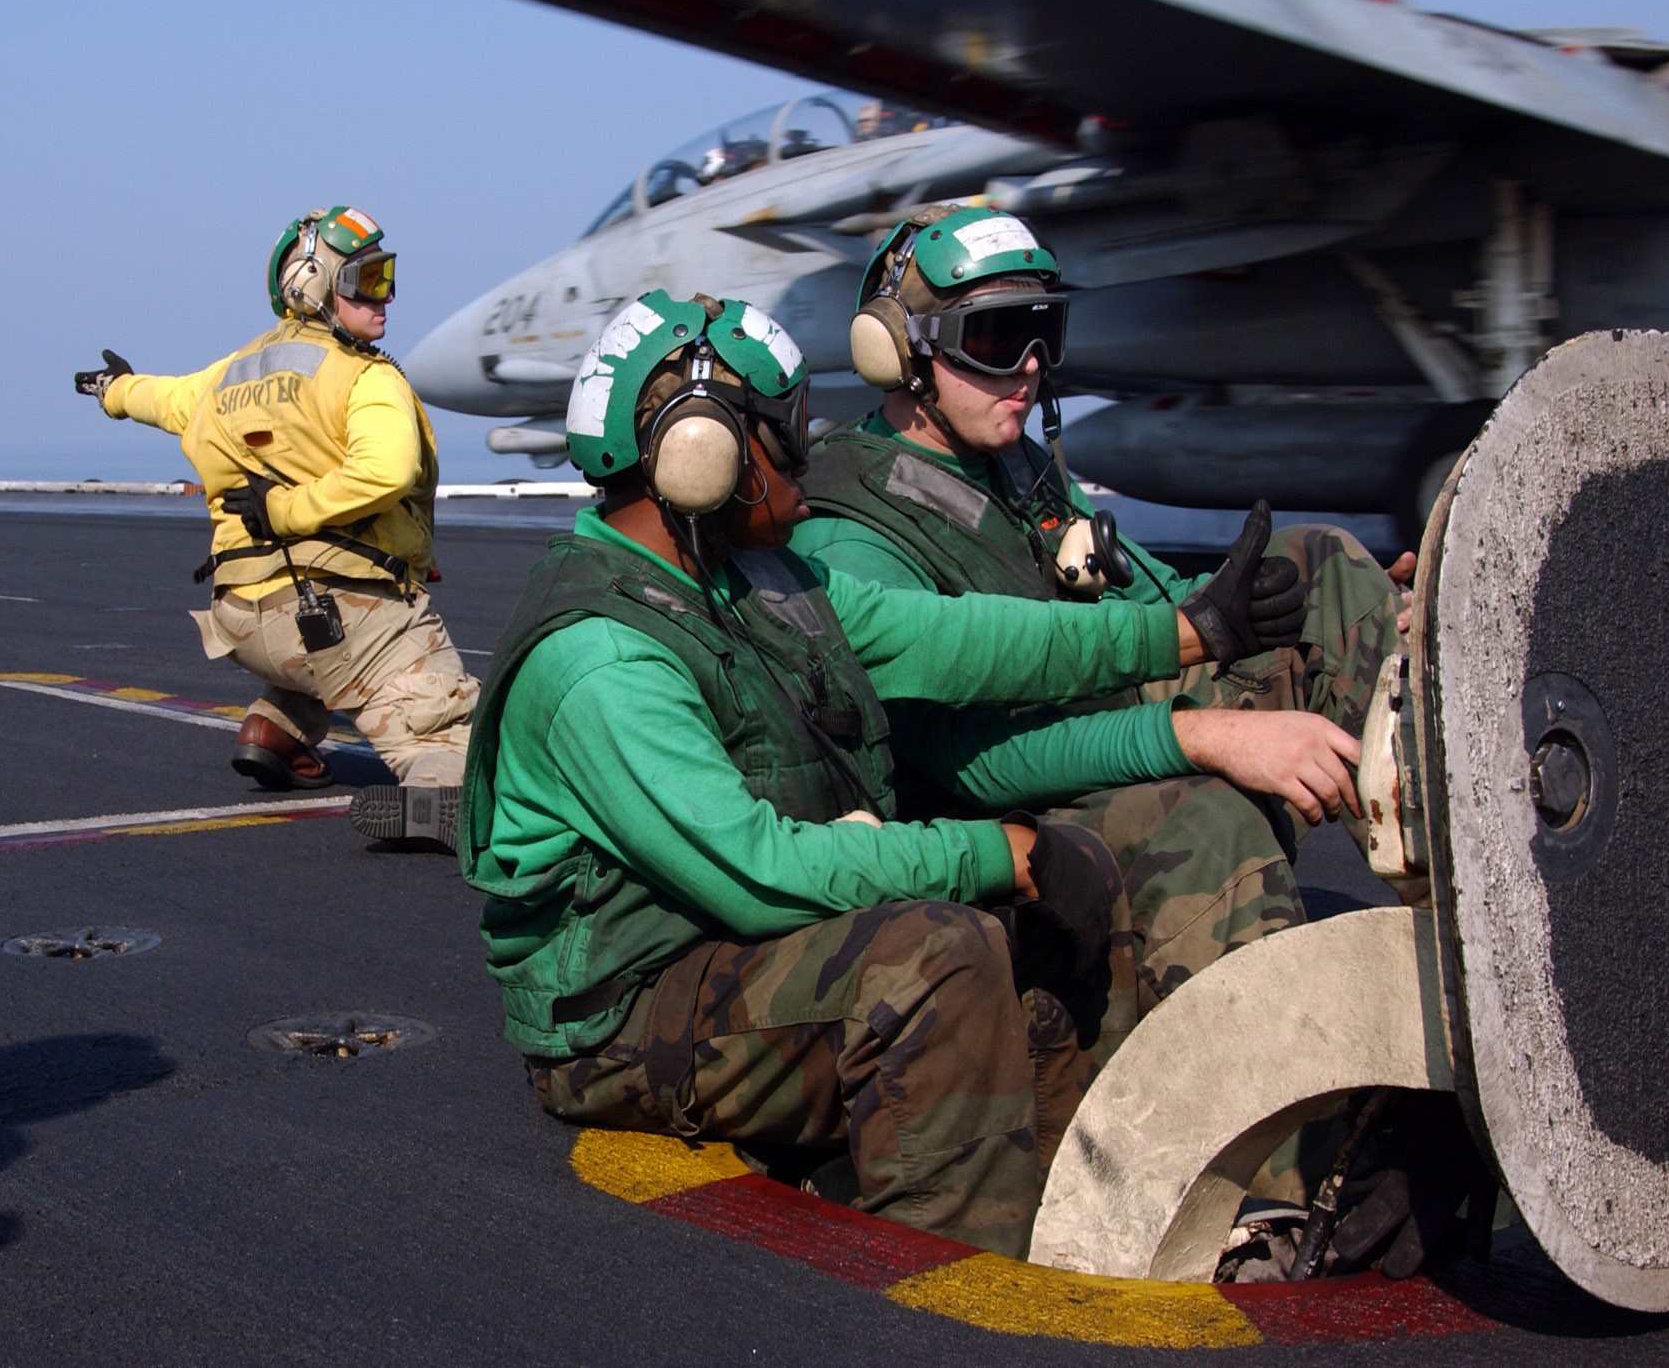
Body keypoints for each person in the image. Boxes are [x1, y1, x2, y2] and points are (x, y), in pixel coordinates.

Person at [457, 290, 1308, 1257]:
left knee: (1065, 885)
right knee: (932, 957)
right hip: (625, 1014)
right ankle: (949, 1288)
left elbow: (959, 639)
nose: (809, 470)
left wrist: (1182, 631)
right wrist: (986, 851)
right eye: (785, 439)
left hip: (732, 954)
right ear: (704, 458)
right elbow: (757, 872)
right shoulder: (603, 662)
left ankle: (1090, 1228)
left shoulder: (755, 584)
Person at [792, 203, 1409, 1098]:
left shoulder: (1013, 464)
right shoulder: (850, 528)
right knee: (1207, 818)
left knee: (1323, 573)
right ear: (904, 353)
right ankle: (1259, 1189)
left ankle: (1464, 897)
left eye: (1045, 334)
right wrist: (1200, 736)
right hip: (987, 815)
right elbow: (971, 766)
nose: (1031, 369)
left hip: (1092, 736)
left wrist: (1372, 603)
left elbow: (1153, 594)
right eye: (997, 338)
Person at [77, 205, 475, 849]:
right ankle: (440, 793)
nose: (387, 297)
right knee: (464, 735)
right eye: (368, 281)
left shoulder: (230, 375)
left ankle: (276, 731)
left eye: (388, 277)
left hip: (241, 617)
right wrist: (287, 510)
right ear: (313, 286)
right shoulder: (364, 377)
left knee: (320, 648)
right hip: (342, 612)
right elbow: (389, 470)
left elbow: (164, 398)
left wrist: (112, 389)